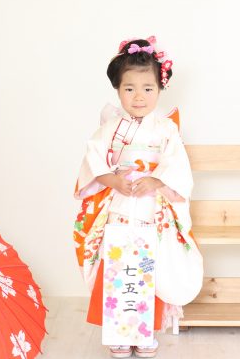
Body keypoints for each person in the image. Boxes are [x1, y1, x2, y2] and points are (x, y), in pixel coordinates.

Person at [73, 36, 203, 358]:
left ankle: (144, 332)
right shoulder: (109, 127)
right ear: (118, 90)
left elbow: (177, 165)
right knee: (118, 265)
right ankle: (119, 331)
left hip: (152, 207)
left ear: (160, 89)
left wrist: (156, 180)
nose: (139, 96)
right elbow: (93, 161)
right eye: (129, 88)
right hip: (119, 204)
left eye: (148, 88)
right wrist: (112, 180)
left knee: (149, 266)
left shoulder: (166, 130)